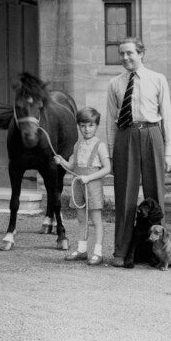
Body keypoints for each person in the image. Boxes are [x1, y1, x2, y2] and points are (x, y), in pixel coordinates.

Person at [106, 36, 171, 268]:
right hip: (126, 135)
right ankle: (121, 251)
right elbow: (110, 121)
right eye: (122, 54)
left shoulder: (157, 79)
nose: (125, 58)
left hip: (152, 134)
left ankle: (159, 252)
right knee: (125, 196)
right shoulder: (115, 83)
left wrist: (168, 151)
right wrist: (111, 154)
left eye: (130, 53)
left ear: (141, 53)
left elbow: (167, 116)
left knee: (155, 194)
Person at [57, 107, 111, 266]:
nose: (87, 129)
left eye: (91, 125)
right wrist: (62, 161)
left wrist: (89, 177)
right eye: (83, 126)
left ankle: (98, 253)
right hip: (79, 185)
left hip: (92, 186)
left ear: (96, 126)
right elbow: (73, 166)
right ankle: (82, 250)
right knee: (81, 219)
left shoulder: (100, 145)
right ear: (78, 126)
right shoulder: (77, 145)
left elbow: (107, 168)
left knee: (96, 220)